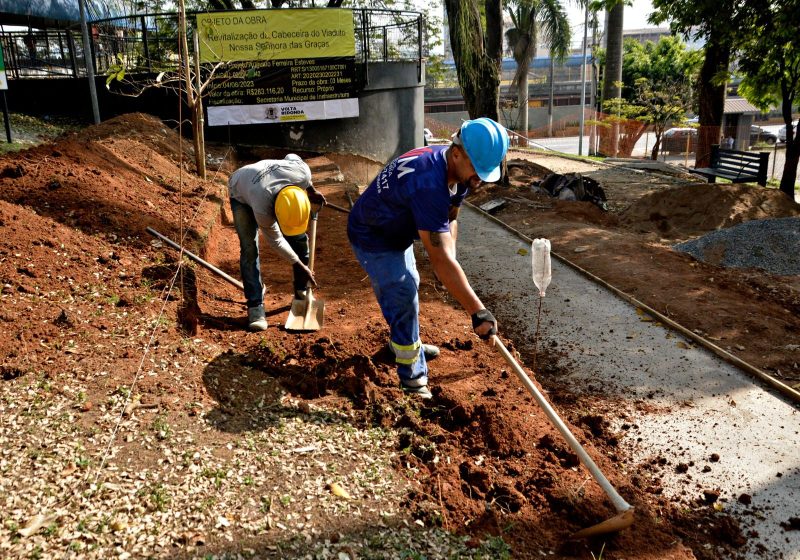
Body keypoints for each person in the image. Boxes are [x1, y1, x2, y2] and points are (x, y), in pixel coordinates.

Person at [347, 117, 509, 399]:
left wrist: (449, 256)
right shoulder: (429, 184)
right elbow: (440, 258)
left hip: (396, 230)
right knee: (403, 291)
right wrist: (478, 312)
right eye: (477, 169)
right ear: (456, 153)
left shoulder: (459, 173)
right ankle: (412, 377)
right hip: (373, 235)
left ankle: (402, 341)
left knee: (410, 284)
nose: (480, 178)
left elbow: (451, 217)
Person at [228, 154, 326, 331]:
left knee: (298, 238)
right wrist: (299, 265)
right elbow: (277, 241)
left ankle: (302, 291)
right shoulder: (262, 207)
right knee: (249, 248)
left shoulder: (302, 173)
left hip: (261, 183)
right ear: (274, 212)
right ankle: (255, 306)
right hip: (241, 189)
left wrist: (310, 190)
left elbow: (291, 156)